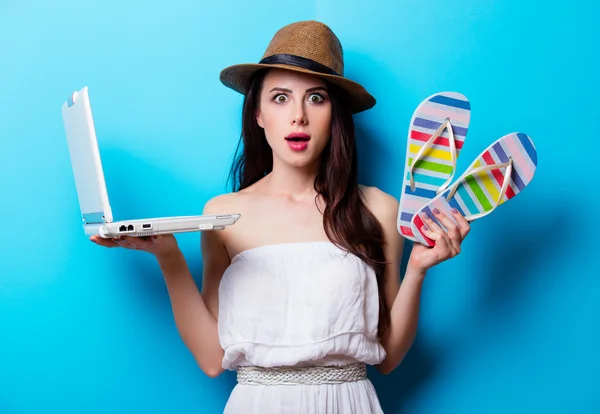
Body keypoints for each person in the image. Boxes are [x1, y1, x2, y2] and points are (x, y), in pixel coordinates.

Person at [91, 20, 470, 414]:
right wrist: (168, 256)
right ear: (257, 113)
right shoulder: (223, 215)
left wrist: (419, 270)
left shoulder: (379, 209)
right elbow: (210, 357)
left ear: (335, 114)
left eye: (316, 98)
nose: (299, 117)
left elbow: (389, 356)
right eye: (280, 98)